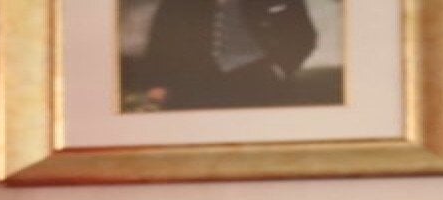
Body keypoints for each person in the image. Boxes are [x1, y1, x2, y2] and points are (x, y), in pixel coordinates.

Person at [121, 0, 330, 111]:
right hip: (192, 83)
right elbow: (162, 39)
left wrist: (280, 69)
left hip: (256, 79)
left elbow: (303, 36)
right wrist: (158, 83)